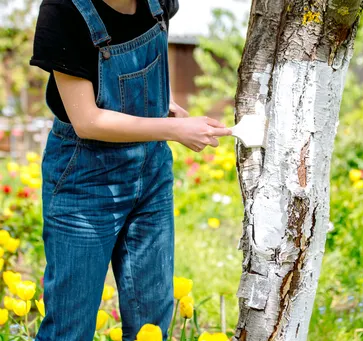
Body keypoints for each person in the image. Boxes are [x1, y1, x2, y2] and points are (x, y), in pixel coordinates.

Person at [29, 0, 232, 340]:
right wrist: (173, 131)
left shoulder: (156, 2)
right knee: (70, 328)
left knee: (151, 323)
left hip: (150, 174)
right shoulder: (64, 9)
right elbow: (87, 121)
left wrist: (158, 102)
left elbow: (138, 63)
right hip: (85, 180)